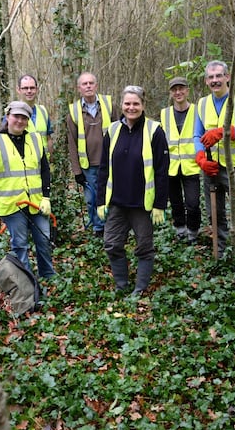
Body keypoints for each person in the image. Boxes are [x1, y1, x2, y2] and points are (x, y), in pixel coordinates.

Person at [96, 86, 169, 296]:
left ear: (143, 105)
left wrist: (159, 205)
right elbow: (104, 167)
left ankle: (140, 288)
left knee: (144, 248)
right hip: (117, 202)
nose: (131, 107)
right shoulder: (111, 130)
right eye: (127, 103)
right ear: (122, 105)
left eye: (136, 103)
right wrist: (101, 200)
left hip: (142, 205)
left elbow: (162, 171)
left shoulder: (154, 131)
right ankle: (122, 285)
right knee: (111, 244)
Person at [193, 60, 235, 260]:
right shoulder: (202, 103)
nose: (215, 80)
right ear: (206, 81)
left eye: (219, 76)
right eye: (211, 77)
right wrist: (200, 157)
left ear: (227, 77)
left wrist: (224, 132)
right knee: (215, 212)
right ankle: (219, 252)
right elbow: (197, 135)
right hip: (211, 167)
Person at [0, 101, 56, 279]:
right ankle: (27, 283)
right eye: (16, 116)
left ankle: (47, 274)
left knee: (44, 240)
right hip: (12, 204)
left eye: (23, 117)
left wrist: (46, 197)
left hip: (36, 201)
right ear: (8, 117)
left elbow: (45, 169)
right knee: (20, 245)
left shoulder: (35, 139)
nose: (19, 120)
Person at [66, 72, 120, 238]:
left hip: (110, 161)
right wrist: (76, 171)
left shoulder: (110, 105)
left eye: (91, 83)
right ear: (79, 88)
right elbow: (72, 142)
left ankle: (113, 226)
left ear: (96, 85)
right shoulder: (73, 111)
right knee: (92, 198)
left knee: (112, 196)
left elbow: (120, 132)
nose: (88, 86)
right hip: (87, 164)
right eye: (84, 84)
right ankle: (98, 228)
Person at [160, 76, 200, 245]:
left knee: (193, 203)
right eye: (174, 90)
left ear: (187, 90)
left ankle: (193, 232)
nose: (178, 92)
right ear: (170, 93)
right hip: (171, 166)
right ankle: (180, 230)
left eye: (181, 88)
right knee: (176, 202)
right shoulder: (165, 113)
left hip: (192, 165)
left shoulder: (198, 111)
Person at [16, 74, 54, 155]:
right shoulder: (12, 113)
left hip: (43, 164)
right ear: (18, 90)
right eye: (25, 88)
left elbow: (48, 138)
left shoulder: (43, 111)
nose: (29, 91)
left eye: (32, 88)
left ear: (37, 89)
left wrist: (51, 161)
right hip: (24, 164)